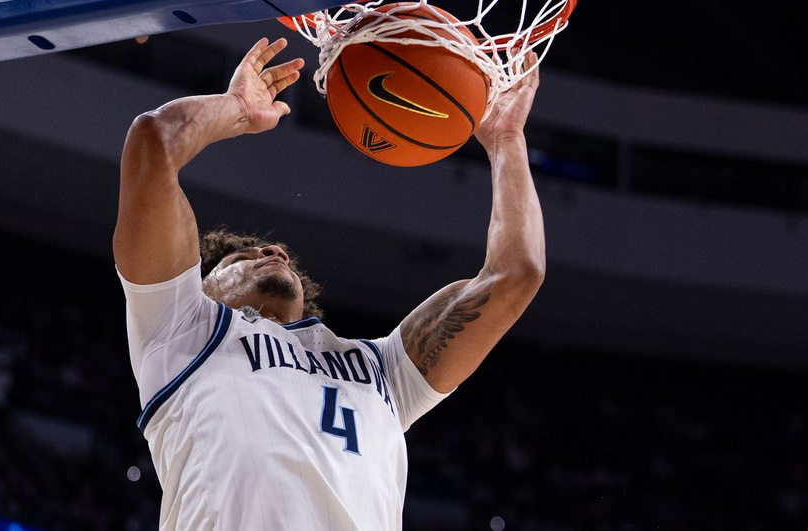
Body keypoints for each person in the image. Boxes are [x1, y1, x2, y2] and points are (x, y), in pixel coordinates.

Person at [113, 37, 545, 529]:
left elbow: (515, 275)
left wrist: (507, 140)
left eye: (275, 251)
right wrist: (234, 108)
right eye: (244, 254)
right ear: (203, 283)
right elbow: (152, 144)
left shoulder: (383, 369)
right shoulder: (180, 329)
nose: (272, 251)